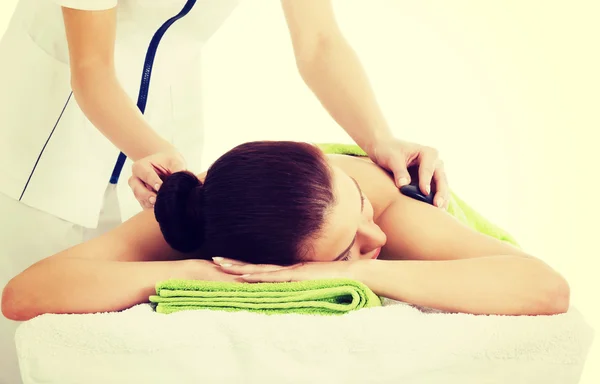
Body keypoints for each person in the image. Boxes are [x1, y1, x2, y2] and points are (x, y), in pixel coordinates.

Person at [0, 1, 449, 381]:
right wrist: (151, 151)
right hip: (49, 126)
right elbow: (92, 68)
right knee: (28, 334)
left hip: (170, 112)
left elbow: (319, 43)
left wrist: (378, 140)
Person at [3, 140, 570, 328]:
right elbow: (25, 294)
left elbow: (543, 287)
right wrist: (196, 271)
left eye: (359, 210)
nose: (375, 233)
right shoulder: (204, 211)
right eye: (350, 244)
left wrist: (352, 266)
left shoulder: (387, 205)